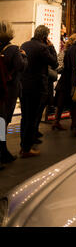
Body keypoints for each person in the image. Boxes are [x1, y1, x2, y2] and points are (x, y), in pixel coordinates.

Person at [20, 26, 58, 157]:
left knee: (25, 117)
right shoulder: (43, 48)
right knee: (32, 118)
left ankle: (23, 145)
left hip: (24, 85)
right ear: (45, 37)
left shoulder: (25, 44)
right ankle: (27, 148)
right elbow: (54, 63)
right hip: (37, 87)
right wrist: (51, 47)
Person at [0, 21, 27, 165]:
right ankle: (2, 153)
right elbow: (21, 67)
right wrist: (24, 56)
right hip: (8, 90)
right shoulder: (13, 49)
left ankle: (3, 152)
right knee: (3, 121)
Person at [52, 34, 76, 131]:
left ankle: (56, 122)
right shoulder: (73, 52)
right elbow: (60, 66)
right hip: (70, 80)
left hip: (64, 80)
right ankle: (74, 124)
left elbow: (58, 66)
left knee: (60, 103)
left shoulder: (64, 51)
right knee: (73, 103)